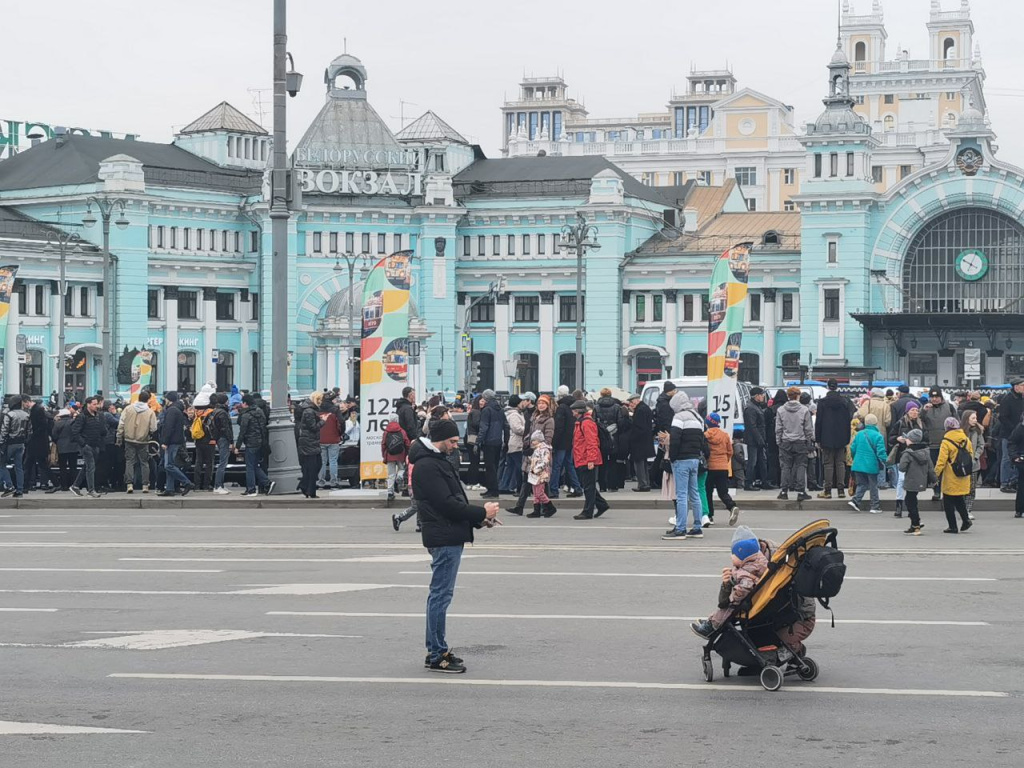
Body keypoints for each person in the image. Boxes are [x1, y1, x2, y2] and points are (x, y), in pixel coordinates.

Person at [414, 418, 500, 673]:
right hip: (444, 537)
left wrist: (481, 519)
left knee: (440, 595)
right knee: (440, 596)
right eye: (452, 441)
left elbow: (451, 501)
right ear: (439, 440)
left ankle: (437, 649)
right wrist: (480, 511)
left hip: (447, 533)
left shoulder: (434, 461)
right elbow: (446, 504)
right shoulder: (428, 465)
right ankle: (436, 654)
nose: (455, 446)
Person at [689, 526, 769, 638]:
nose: (731, 557)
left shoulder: (746, 571)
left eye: (733, 554)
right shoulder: (757, 562)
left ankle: (712, 626)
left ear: (742, 555)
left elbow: (745, 587)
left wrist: (733, 598)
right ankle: (711, 621)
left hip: (747, 601)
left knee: (728, 609)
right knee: (727, 607)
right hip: (758, 597)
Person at [662, 391, 706, 540]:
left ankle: (680, 529)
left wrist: (672, 458)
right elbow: (702, 440)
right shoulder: (697, 417)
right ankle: (697, 527)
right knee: (694, 494)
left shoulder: (678, 418)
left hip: (681, 460)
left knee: (681, 495)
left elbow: (675, 440)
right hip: (694, 459)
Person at [933, 417, 973, 534]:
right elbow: (970, 454)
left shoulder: (946, 442)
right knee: (959, 498)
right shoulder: (965, 439)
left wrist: (935, 475)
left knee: (948, 501)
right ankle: (966, 520)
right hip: (964, 474)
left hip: (951, 475)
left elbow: (941, 461)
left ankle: (952, 526)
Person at [815, 378, 853, 499]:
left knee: (828, 464)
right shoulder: (845, 402)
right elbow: (849, 420)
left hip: (826, 437)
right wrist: (847, 437)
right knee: (840, 463)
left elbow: (819, 422)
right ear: (837, 387)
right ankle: (841, 490)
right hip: (842, 437)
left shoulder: (822, 402)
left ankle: (827, 490)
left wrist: (818, 438)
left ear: (827, 387)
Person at [775, 386, 814, 502]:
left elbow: (778, 428)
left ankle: (784, 491)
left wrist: (779, 441)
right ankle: (801, 491)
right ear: (798, 396)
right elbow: (808, 428)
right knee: (801, 465)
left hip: (785, 441)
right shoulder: (804, 410)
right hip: (800, 441)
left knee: (785, 466)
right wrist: (808, 440)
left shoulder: (781, 410)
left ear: (788, 396)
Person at [571, 400, 607, 520]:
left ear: (579, 411)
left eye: (574, 411)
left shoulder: (586, 423)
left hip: (586, 459)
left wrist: (591, 460)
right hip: (583, 458)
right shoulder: (582, 422)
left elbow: (592, 443)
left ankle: (588, 511)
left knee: (588, 486)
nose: (573, 413)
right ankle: (601, 505)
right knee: (588, 485)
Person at [920, 387, 957, 502]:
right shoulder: (925, 408)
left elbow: (956, 423)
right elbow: (919, 420)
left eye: (937, 397)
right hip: (932, 444)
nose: (934, 399)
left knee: (949, 469)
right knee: (935, 469)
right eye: (932, 397)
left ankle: (949, 491)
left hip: (947, 443)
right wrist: (923, 411)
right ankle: (936, 490)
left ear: (941, 397)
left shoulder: (949, 407)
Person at [117, 390, 158, 493]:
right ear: (148, 400)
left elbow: (121, 423)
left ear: (138, 398)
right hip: (143, 440)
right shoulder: (150, 412)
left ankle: (129, 485)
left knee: (129, 462)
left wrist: (119, 436)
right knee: (144, 462)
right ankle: (145, 485)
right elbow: (153, 428)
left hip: (129, 439)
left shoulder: (128, 408)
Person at [889, 401, 924, 518]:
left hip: (916, 455)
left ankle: (911, 506)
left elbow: (926, 438)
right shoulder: (900, 423)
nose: (915, 412)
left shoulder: (921, 424)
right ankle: (898, 504)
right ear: (907, 412)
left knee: (913, 480)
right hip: (903, 454)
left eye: (916, 410)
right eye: (912, 410)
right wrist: (898, 438)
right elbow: (891, 437)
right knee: (901, 479)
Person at [704, 413, 739, 527]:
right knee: (723, 492)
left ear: (707, 423)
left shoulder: (705, 435)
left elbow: (704, 451)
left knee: (707, 492)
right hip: (723, 467)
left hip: (710, 467)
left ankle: (709, 515)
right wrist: (725, 460)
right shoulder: (725, 435)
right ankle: (732, 506)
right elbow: (730, 452)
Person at [898, 428, 935, 535]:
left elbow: (902, 468)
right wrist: (934, 479)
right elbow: (930, 467)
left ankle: (916, 523)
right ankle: (915, 523)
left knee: (910, 502)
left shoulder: (908, 453)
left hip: (911, 480)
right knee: (912, 500)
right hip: (921, 480)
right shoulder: (925, 451)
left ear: (911, 440)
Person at [235, 394, 274, 496]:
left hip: (251, 443)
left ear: (245, 403)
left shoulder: (246, 415)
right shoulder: (259, 412)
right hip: (260, 442)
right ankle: (267, 483)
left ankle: (251, 489)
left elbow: (242, 432)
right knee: (255, 466)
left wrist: (237, 446)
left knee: (250, 467)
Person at [848, 413, 886, 513]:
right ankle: (874, 506)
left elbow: (852, 448)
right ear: (876, 423)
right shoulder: (878, 436)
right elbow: (881, 452)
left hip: (858, 464)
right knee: (873, 485)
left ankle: (855, 500)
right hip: (871, 465)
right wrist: (886, 461)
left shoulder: (859, 434)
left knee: (862, 484)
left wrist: (855, 458)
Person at [157, 392, 193, 497]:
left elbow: (168, 427)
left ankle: (187, 483)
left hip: (172, 441)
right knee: (171, 465)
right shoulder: (177, 409)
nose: (165, 401)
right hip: (177, 440)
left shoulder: (171, 410)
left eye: (166, 399)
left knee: (169, 465)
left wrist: (164, 442)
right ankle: (170, 488)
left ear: (170, 400)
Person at [550, 386, 583, 499]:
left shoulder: (561, 408)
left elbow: (559, 427)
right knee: (569, 465)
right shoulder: (573, 406)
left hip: (561, 442)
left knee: (557, 466)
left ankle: (553, 490)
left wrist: (554, 442)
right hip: (571, 440)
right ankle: (577, 488)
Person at [0, 395, 32, 496]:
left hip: (10, 443)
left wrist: (1, 443)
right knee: (19, 467)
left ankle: (9, 485)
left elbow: (4, 430)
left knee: (1, 464)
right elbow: (30, 431)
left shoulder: (10, 414)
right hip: (21, 443)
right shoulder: (26, 414)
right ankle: (20, 490)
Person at [996, 379, 1024, 493]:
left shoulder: (1022, 398)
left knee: (1018, 457)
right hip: (1009, 433)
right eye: (1023, 385)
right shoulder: (1007, 399)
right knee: (1007, 458)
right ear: (1016, 387)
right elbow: (1002, 417)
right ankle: (1005, 482)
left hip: (1020, 433)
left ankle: (1014, 481)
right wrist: (1014, 429)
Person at [477, 389, 505, 499]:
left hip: (488, 442)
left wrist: (478, 442)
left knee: (489, 467)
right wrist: (505, 441)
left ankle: (492, 490)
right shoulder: (500, 410)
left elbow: (483, 428)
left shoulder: (486, 410)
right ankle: (493, 489)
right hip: (498, 442)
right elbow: (505, 426)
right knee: (495, 466)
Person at [625, 394, 655, 492]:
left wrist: (631, 438)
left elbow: (638, 427)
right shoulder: (645, 408)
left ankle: (642, 484)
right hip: (645, 440)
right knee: (644, 463)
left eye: (631, 402)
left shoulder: (640, 410)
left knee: (639, 463)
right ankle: (646, 483)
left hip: (639, 442)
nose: (630, 404)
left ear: (637, 400)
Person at [296, 391, 323, 498]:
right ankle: (310, 490)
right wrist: (323, 421)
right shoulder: (308, 411)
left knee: (316, 465)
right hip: (309, 442)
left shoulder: (311, 410)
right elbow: (313, 427)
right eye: (319, 400)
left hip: (312, 442)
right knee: (313, 467)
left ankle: (305, 486)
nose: (320, 402)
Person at [24, 400, 54, 492]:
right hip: (38, 443)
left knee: (31, 464)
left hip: (36, 443)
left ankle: (26, 486)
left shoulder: (37, 410)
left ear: (27, 402)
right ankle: (26, 486)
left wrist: (32, 436)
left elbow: (41, 426)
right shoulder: (38, 410)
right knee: (38, 464)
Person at [526, 430, 555, 518]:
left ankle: (550, 507)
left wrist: (536, 469)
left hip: (541, 474)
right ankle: (536, 510)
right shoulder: (537, 449)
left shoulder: (544, 449)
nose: (532, 442)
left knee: (539, 493)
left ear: (539, 440)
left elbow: (545, 461)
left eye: (534, 440)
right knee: (535, 493)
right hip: (535, 473)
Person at [743, 388, 768, 490]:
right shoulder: (751, 408)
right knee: (752, 461)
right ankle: (748, 483)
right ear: (756, 396)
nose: (763, 397)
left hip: (758, 438)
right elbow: (752, 426)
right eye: (761, 395)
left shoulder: (756, 407)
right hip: (753, 440)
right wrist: (759, 439)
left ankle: (764, 481)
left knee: (762, 461)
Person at [209, 394, 234, 494]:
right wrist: (231, 441)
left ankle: (220, 485)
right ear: (225, 401)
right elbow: (226, 428)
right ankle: (218, 486)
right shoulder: (223, 413)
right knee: (223, 463)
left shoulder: (215, 411)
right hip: (223, 439)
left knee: (222, 462)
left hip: (219, 438)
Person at [501, 395, 526, 495]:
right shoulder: (514, 415)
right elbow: (517, 429)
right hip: (516, 443)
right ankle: (519, 489)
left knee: (510, 466)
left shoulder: (512, 413)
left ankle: (504, 486)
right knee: (519, 467)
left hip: (512, 443)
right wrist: (528, 430)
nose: (523, 404)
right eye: (521, 402)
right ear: (517, 404)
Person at [961, 411, 985, 519]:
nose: (975, 420)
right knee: (962, 487)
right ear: (967, 419)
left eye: (976, 418)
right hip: (961, 464)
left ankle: (968, 509)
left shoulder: (978, 431)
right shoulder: (960, 432)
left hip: (974, 464)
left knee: (972, 488)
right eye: (973, 418)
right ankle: (961, 508)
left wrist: (976, 456)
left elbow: (981, 444)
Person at [317, 398, 344, 490]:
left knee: (322, 462)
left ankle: (321, 482)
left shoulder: (317, 410)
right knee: (333, 461)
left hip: (321, 439)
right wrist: (340, 434)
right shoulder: (335, 410)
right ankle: (334, 482)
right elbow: (342, 422)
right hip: (333, 439)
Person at [381, 419, 411, 501]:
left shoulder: (386, 432)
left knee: (391, 474)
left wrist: (384, 454)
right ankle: (400, 476)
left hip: (390, 455)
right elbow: (407, 443)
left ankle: (390, 492)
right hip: (400, 454)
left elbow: (383, 444)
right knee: (401, 469)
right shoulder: (402, 431)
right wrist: (407, 452)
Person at [1007, 416, 1024, 519]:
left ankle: (1019, 509)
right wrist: (1015, 456)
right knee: (1022, 486)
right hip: (1022, 459)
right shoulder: (1020, 428)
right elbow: (1011, 443)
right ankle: (1020, 509)